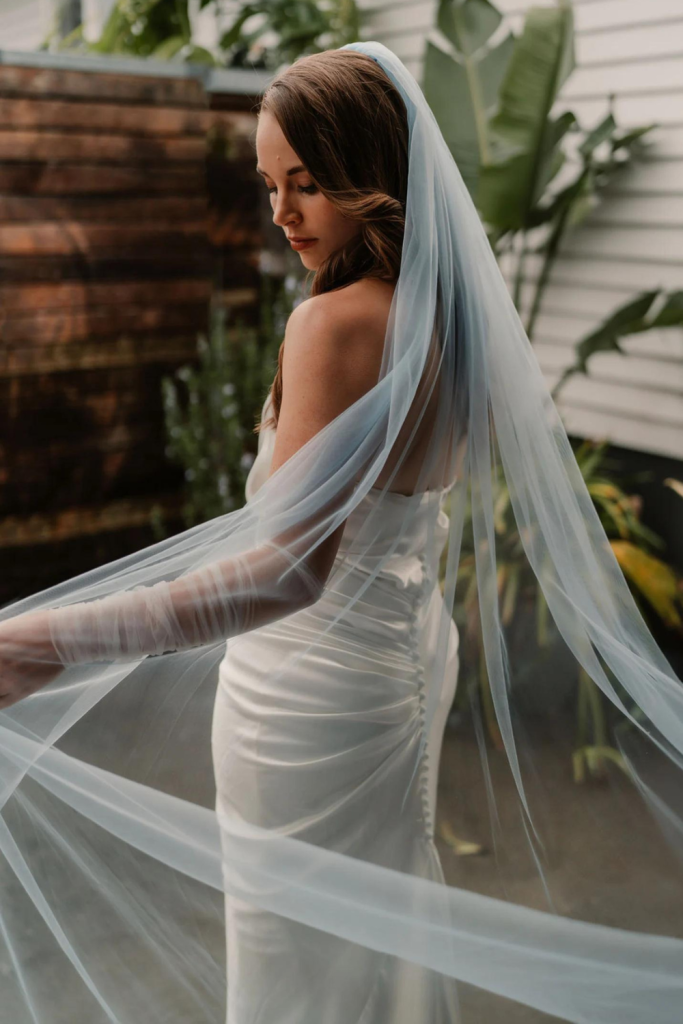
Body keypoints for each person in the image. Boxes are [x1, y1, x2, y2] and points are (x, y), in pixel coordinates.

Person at [0, 40, 682, 1024]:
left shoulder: (331, 328)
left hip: (302, 703)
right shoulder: (453, 329)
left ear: (375, 176)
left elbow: (286, 575)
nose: (279, 214)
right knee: (370, 950)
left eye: (307, 184)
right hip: (396, 681)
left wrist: (45, 641)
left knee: (288, 978)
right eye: (269, 184)